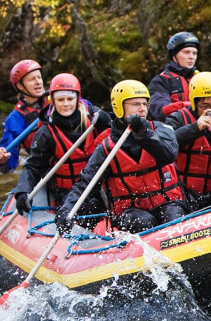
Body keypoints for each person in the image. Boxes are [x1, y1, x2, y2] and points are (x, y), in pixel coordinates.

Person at [56, 80, 187, 234]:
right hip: (130, 212)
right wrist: (66, 211)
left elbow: (168, 154)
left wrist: (143, 134)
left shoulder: (162, 129)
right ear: (119, 108)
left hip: (167, 203)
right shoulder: (106, 148)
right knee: (143, 222)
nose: (142, 109)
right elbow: (86, 183)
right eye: (136, 104)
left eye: (145, 104)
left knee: (174, 216)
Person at [11, 73, 112, 216]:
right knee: (88, 206)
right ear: (52, 101)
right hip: (67, 193)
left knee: (100, 204)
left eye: (70, 99)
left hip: (99, 187)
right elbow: (34, 166)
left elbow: (117, 130)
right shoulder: (46, 133)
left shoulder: (93, 118)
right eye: (60, 99)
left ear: (78, 99)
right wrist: (23, 190)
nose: (65, 104)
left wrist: (107, 120)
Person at [165, 71, 211, 210]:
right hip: (186, 195)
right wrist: (195, 128)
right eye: (205, 106)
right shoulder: (178, 118)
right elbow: (165, 145)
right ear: (194, 104)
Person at [0, 59, 46, 173]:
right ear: (20, 86)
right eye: (32, 79)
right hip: (47, 169)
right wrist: (4, 159)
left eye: (39, 77)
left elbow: (83, 105)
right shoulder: (15, 119)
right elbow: (10, 164)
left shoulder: (59, 99)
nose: (38, 82)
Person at [147, 31, 199, 121]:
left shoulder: (201, 78)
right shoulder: (160, 80)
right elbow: (160, 109)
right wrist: (192, 107)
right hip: (175, 130)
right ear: (174, 56)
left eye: (194, 53)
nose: (191, 57)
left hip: (206, 128)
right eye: (186, 52)